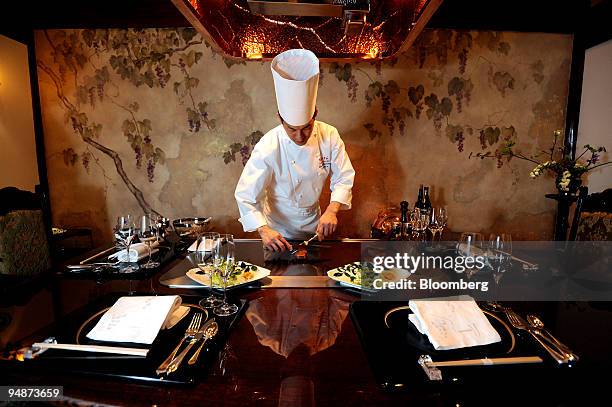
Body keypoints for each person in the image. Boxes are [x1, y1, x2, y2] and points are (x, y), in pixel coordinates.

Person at [234, 49, 355, 252]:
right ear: (280, 119)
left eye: (306, 127)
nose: (300, 136)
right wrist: (264, 231)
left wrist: (332, 210)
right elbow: (245, 195)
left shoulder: (329, 135)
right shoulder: (268, 145)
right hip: (277, 234)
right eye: (292, 129)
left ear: (315, 114)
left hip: (315, 229)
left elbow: (344, 177)